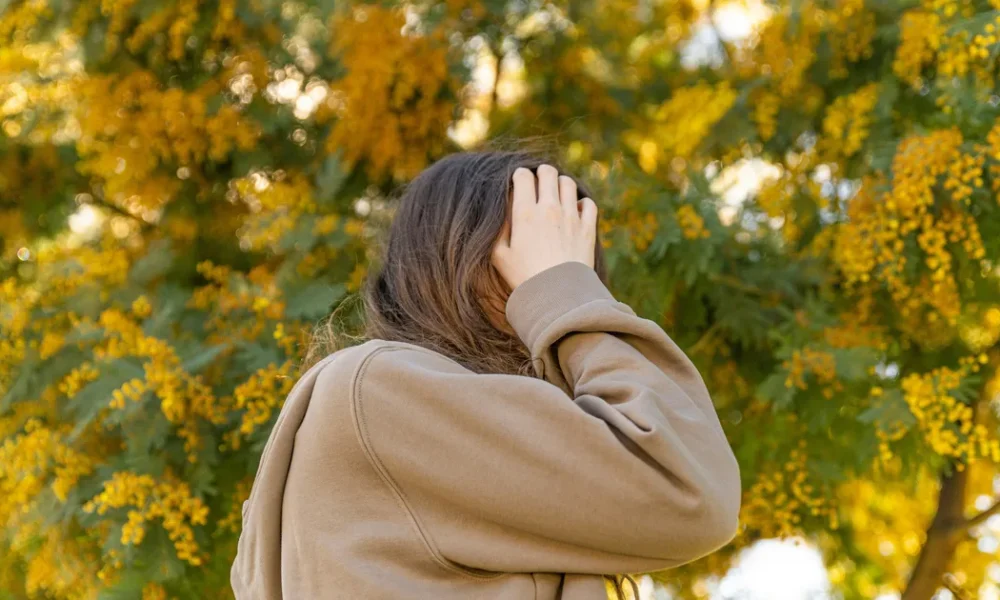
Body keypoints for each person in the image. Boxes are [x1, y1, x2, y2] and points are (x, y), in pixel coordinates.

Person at [230, 151, 741, 600]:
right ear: (456, 262)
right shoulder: (376, 392)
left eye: (573, 261)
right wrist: (564, 292)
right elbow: (687, 491)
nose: (543, 291)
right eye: (532, 258)